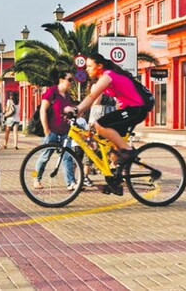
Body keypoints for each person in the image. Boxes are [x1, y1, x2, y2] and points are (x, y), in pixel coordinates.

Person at [65, 53, 153, 196]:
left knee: (101, 125)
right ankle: (115, 182)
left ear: (99, 66)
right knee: (108, 142)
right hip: (129, 109)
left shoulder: (108, 76)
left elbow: (92, 97)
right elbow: (91, 100)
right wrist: (77, 112)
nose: (86, 69)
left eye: (89, 66)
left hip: (136, 109)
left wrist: (76, 109)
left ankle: (129, 151)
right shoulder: (103, 78)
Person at [34, 70, 77, 190]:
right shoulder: (52, 92)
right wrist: (46, 129)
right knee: (44, 156)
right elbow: (43, 110)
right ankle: (36, 178)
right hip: (52, 131)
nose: (71, 83)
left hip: (65, 132)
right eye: (69, 80)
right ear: (62, 80)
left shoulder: (68, 95)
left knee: (67, 157)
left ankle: (71, 182)